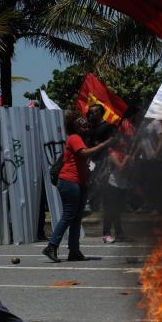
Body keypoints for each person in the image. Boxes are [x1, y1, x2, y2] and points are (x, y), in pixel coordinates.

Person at [43, 111, 112, 262]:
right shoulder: (74, 138)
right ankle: (52, 246)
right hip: (69, 181)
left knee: (76, 218)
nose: (85, 126)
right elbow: (85, 153)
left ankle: (74, 251)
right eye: (82, 124)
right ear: (75, 125)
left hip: (79, 182)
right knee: (69, 214)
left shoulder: (80, 138)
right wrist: (104, 144)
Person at [102, 139, 132, 243]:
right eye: (121, 144)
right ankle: (106, 234)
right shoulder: (113, 154)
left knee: (117, 211)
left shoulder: (124, 154)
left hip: (121, 186)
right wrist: (126, 159)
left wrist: (130, 161)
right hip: (112, 185)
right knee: (110, 211)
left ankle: (119, 233)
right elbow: (120, 167)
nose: (124, 145)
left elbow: (127, 171)